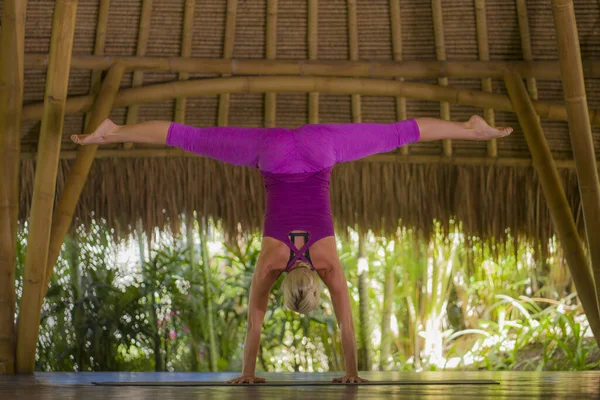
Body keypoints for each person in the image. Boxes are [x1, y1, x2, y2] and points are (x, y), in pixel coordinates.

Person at [72, 115, 512, 383]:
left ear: (315, 287)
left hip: (321, 150)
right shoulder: (269, 264)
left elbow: (347, 327)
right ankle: (113, 133)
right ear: (287, 288)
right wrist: (247, 372)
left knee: (397, 134)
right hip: (273, 155)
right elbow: (254, 328)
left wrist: (353, 371)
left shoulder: (329, 266)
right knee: (189, 137)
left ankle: (469, 130)